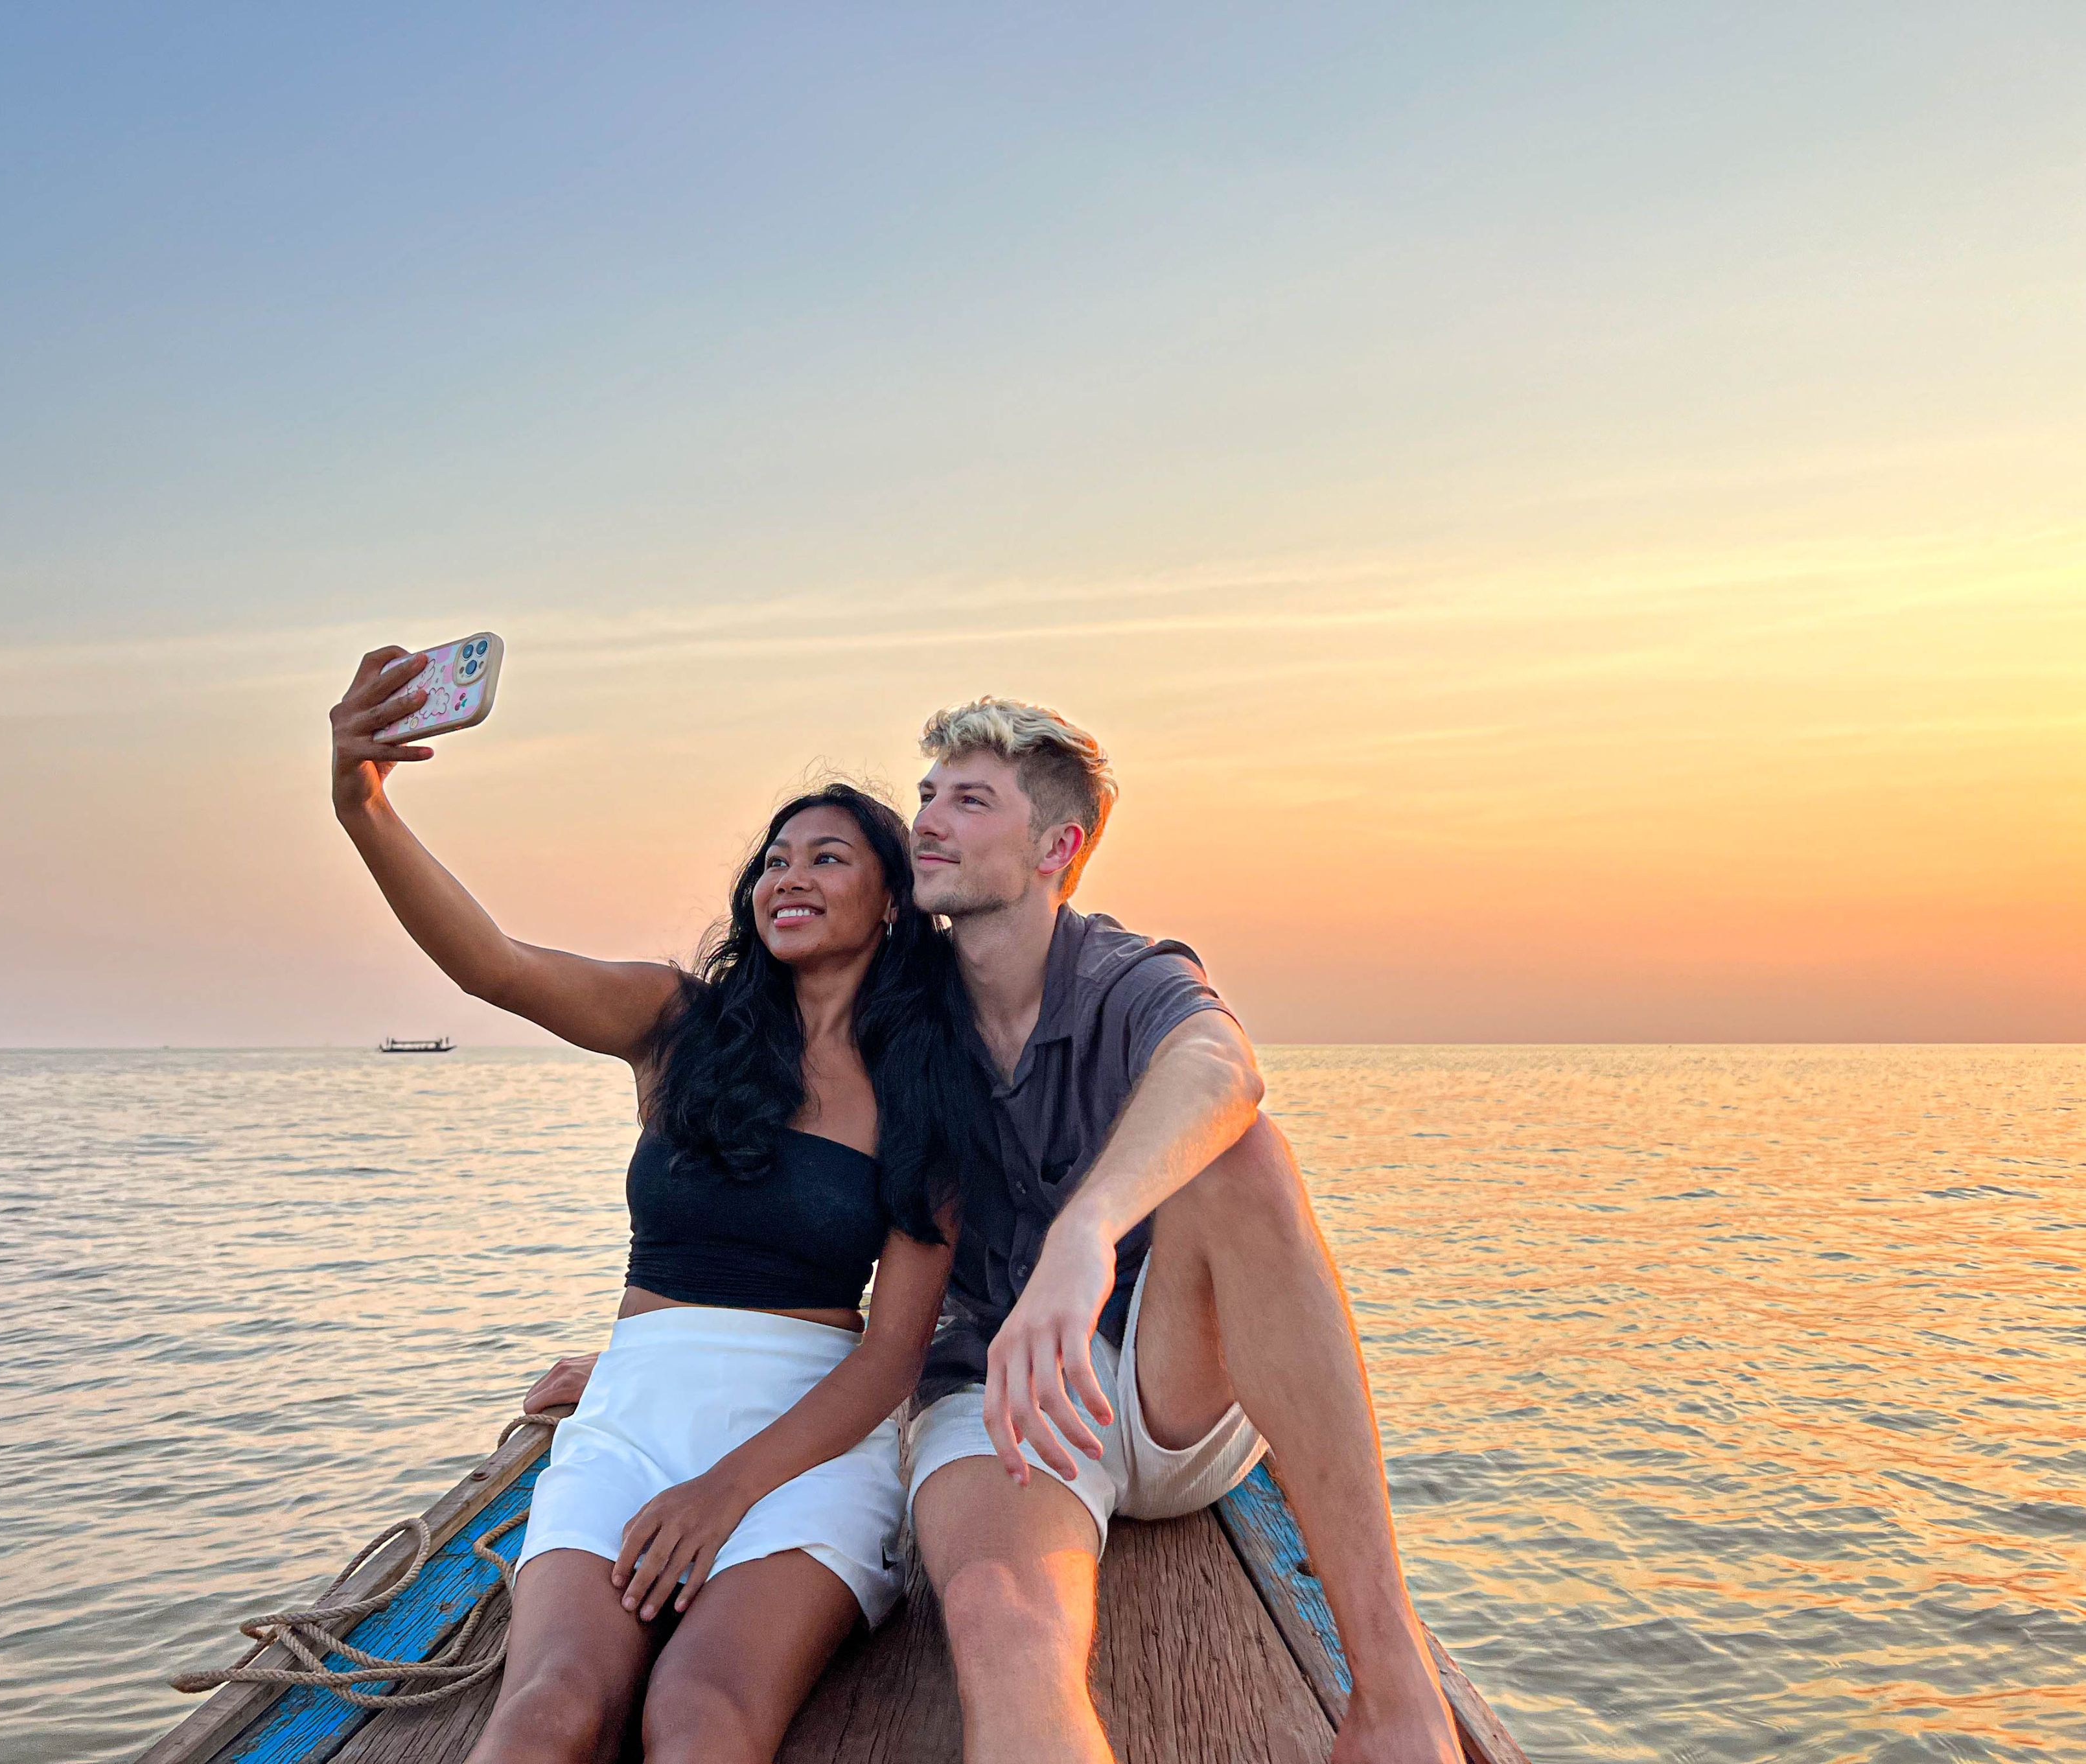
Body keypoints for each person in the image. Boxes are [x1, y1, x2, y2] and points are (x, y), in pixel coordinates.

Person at [329, 646, 979, 1764]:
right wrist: (361, 804)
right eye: (775, 859)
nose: (790, 876)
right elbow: (492, 963)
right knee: (550, 1711)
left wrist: (724, 1493)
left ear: (891, 900)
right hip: (632, 1419)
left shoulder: (926, 1087)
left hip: (808, 1437)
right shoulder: (679, 1023)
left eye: (828, 857)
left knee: (700, 1716)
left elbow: (889, 1359)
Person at [900, 697, 1466, 1764]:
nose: (928, 815)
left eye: (969, 799)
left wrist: (1085, 1235)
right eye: (927, 792)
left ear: (1055, 848)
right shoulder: (903, 1005)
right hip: (1001, 1402)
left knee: (1245, 1152)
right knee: (1004, 1624)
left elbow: (1222, 1066)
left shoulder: (1120, 972)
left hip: (1165, 1392)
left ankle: (1397, 1698)